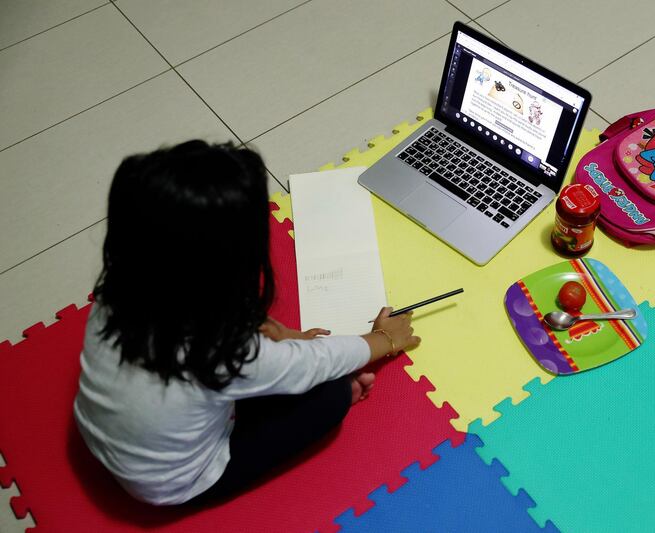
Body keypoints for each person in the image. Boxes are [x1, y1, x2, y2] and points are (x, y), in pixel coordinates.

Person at [73, 140, 420, 506]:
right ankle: (342, 393)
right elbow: (311, 363)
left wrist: (283, 336)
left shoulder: (121, 287)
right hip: (173, 482)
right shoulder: (222, 351)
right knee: (331, 396)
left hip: (101, 436)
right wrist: (383, 338)